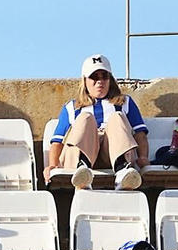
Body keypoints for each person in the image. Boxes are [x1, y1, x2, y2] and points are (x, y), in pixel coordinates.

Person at [44, 54, 148, 190]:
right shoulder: (72, 107)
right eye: (94, 77)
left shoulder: (124, 103)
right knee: (86, 117)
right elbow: (58, 141)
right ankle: (82, 171)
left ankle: (122, 171)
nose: (100, 81)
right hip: (79, 154)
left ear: (110, 79)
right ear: (85, 80)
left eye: (104, 76)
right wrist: (52, 164)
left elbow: (140, 134)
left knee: (117, 117)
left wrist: (143, 157)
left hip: (111, 154)